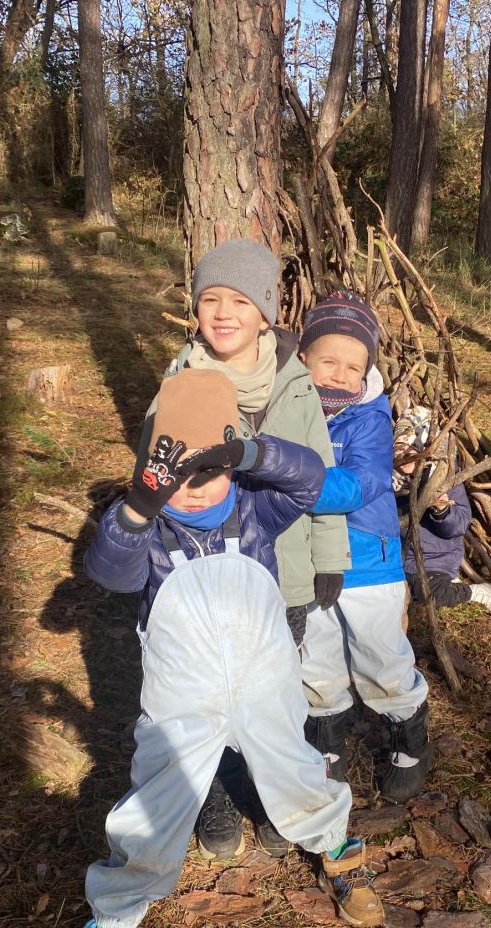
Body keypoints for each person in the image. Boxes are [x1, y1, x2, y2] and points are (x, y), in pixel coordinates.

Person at [76, 369, 382, 928]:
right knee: (158, 797)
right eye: (177, 476)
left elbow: (310, 479)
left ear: (231, 466)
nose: (193, 488)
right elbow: (110, 573)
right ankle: (116, 908)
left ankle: (339, 852)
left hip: (265, 684)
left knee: (297, 769)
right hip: (182, 701)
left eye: (210, 471)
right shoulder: (148, 528)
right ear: (152, 472)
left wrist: (251, 452)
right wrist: (139, 508)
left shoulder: (257, 509)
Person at [142, 238, 350, 860]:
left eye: (240, 301)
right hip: (204, 577)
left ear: (266, 313)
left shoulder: (296, 384)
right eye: (210, 299)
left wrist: (329, 556)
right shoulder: (180, 379)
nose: (224, 313)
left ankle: (270, 791)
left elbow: (322, 476)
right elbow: (153, 473)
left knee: (271, 696)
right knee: (203, 694)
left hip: (284, 574)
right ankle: (213, 789)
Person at [297, 292, 433, 802]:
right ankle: (325, 740)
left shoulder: (369, 419)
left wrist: (290, 481)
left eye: (353, 367)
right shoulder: (286, 411)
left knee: (380, 655)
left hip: (367, 564)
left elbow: (361, 484)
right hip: (308, 562)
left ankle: (408, 731)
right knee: (316, 656)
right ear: (303, 358)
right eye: (328, 361)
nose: (339, 375)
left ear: (367, 373)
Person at [392, 406, 491, 614]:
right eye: (400, 447)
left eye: (412, 449)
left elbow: (459, 524)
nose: (404, 454)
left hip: (433, 560)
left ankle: (473, 592)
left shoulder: (442, 478)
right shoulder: (390, 479)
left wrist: (442, 510)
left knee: (431, 594)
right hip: (396, 557)